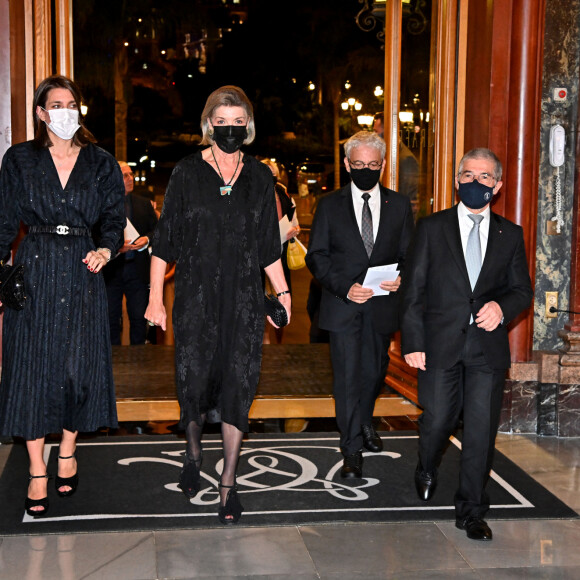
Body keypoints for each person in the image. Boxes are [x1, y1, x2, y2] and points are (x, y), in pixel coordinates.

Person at [144, 85, 290, 525]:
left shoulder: (261, 177)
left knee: (238, 384)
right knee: (194, 381)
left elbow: (269, 245)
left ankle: (228, 480)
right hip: (196, 296)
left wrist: (281, 294)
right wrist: (155, 297)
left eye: (237, 122)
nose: (229, 129)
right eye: (221, 122)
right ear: (209, 125)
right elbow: (164, 240)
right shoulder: (187, 173)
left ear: (247, 126)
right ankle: (193, 452)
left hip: (244, 299)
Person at [0, 75, 125, 517]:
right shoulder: (18, 160)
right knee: (31, 369)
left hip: (82, 268)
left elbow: (113, 218)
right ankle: (37, 468)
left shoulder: (102, 162)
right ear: (40, 112)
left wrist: (106, 249)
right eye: (56, 104)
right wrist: (0, 272)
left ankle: (68, 450)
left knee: (78, 368)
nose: (65, 111)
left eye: (72, 103)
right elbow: (2, 221)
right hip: (34, 268)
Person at [400, 148, 533, 541]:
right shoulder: (431, 227)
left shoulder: (511, 234)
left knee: (480, 431)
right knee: (437, 420)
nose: (476, 183)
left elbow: (522, 290)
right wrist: (413, 340)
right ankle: (427, 464)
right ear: (457, 181)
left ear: (498, 185)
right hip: (438, 344)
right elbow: (413, 290)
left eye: (485, 177)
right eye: (468, 175)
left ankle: (471, 510)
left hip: (486, 350)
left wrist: (501, 307)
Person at [306, 131, 414, 478]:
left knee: (373, 373)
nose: (365, 170)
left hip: (382, 306)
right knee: (348, 379)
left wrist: (402, 276)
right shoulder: (329, 205)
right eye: (358, 164)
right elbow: (317, 257)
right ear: (346, 164)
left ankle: (364, 420)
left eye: (372, 165)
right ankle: (351, 447)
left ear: (382, 165)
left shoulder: (398, 205)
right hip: (343, 306)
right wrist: (345, 288)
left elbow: (407, 254)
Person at [103, 161, 158, 345]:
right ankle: (113, 362)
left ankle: (139, 360)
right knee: (111, 319)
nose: (130, 178)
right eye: (125, 175)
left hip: (137, 270)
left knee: (138, 318)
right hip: (112, 270)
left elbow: (158, 231)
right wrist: (115, 246)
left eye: (131, 174)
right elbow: (96, 235)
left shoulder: (144, 204)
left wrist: (147, 239)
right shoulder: (104, 205)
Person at [260, 158, 299, 344]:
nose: (270, 175)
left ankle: (279, 338)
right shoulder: (252, 194)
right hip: (258, 254)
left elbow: (293, 218)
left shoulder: (282, 192)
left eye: (272, 172)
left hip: (281, 251)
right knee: (261, 294)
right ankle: (263, 336)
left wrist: (293, 230)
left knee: (282, 294)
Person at [373, 112, 419, 210]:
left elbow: (407, 200)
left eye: (376, 131)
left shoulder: (406, 159)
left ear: (387, 131)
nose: (374, 135)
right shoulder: (383, 155)